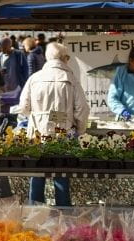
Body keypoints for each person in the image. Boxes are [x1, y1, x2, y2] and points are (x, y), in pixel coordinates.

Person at [19, 42, 89, 206]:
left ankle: (35, 216)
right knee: (62, 176)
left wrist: (38, 117)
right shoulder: (70, 79)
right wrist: (80, 131)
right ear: (64, 59)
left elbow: (23, 107)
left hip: (37, 135)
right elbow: (82, 110)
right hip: (64, 135)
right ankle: (63, 216)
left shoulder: (34, 78)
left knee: (37, 175)